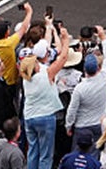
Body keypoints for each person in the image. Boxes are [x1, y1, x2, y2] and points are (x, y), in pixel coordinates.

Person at [22, 28, 71, 169]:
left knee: (33, 151)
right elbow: (63, 58)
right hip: (45, 117)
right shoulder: (48, 73)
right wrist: (65, 40)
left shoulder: (26, 74)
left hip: (29, 116)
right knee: (45, 155)